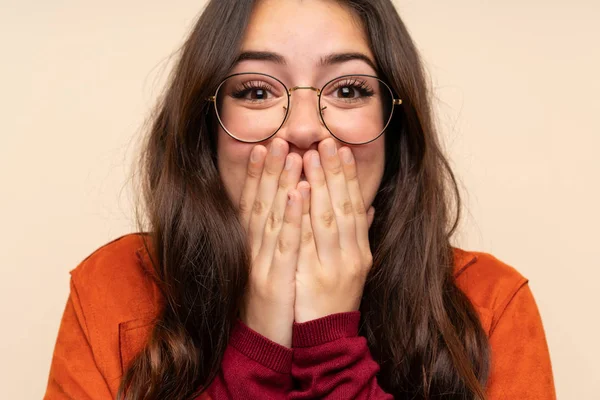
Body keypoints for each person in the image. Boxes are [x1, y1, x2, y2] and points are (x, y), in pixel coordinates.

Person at [44, 0, 556, 399]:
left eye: (350, 89)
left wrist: (329, 343)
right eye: (257, 91)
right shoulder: (111, 289)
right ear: (208, 126)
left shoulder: (492, 305)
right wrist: (260, 341)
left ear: (392, 124)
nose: (305, 128)